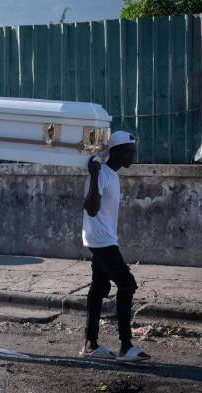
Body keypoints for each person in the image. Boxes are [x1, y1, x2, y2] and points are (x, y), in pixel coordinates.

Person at [79, 130, 150, 362]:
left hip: (103, 238)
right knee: (127, 284)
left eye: (133, 151)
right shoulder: (99, 173)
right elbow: (90, 208)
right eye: (128, 152)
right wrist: (94, 175)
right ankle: (125, 345)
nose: (132, 156)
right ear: (116, 151)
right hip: (101, 240)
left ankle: (90, 344)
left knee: (98, 289)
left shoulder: (111, 175)